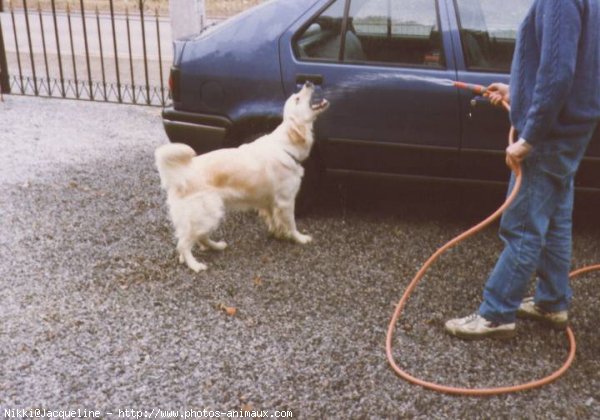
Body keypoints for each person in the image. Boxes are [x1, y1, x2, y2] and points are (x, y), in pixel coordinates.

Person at [445, 0, 600, 339]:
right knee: (556, 217)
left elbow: (559, 73)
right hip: (572, 129)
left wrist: (530, 137)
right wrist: (518, 91)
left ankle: (497, 313)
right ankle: (552, 302)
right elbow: (572, 64)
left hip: (551, 135)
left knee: (523, 227)